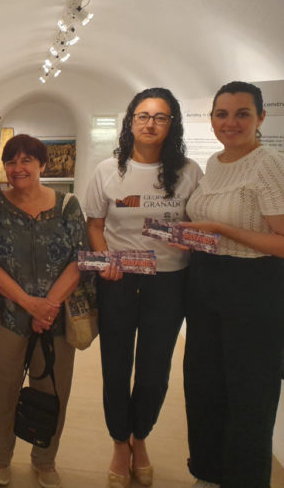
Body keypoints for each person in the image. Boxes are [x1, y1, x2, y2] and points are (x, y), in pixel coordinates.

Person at [82, 87, 202, 488]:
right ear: (130, 122)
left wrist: (187, 235)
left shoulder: (188, 172)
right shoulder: (107, 171)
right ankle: (120, 442)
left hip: (169, 283)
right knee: (115, 367)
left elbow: (198, 228)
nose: (151, 124)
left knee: (154, 371)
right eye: (143, 116)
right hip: (118, 281)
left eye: (161, 117)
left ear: (173, 124)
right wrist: (105, 261)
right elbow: (95, 225)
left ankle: (141, 437)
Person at [183, 81, 284, 488]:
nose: (231, 123)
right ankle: (207, 473)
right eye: (222, 114)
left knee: (250, 395)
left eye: (242, 113)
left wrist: (221, 228)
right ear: (211, 120)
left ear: (261, 117)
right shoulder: (214, 164)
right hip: (207, 282)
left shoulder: (269, 163)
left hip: (254, 288)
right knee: (204, 386)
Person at [0, 134, 87, 488]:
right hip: (7, 317)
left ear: (43, 165)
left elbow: (80, 259)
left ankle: (45, 459)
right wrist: (30, 304)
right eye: (11, 161)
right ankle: (0, 457)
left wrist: (49, 306)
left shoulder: (67, 205)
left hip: (56, 320)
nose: (18, 168)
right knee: (2, 389)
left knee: (52, 389)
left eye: (27, 161)